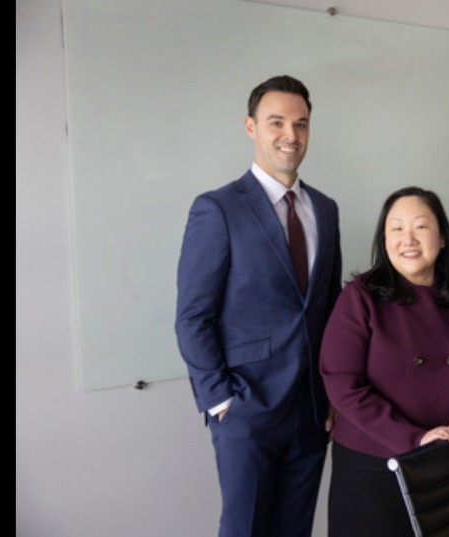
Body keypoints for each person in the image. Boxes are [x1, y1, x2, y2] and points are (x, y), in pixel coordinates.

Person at [175, 75, 342, 537]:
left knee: (296, 529)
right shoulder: (218, 209)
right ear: (251, 126)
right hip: (246, 411)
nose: (291, 135)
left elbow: (329, 309)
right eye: (277, 122)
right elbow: (193, 316)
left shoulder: (325, 209)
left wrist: (331, 393)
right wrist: (221, 400)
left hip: (311, 412)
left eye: (301, 123)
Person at [320, 187, 449, 537]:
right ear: (384, 239)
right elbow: (342, 385)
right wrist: (414, 439)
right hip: (375, 468)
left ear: (441, 239)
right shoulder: (359, 298)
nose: (408, 238)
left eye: (421, 226)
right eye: (396, 228)